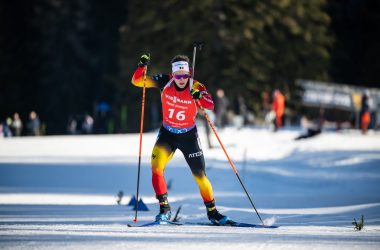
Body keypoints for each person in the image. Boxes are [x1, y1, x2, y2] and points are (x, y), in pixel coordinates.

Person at [131, 54, 230, 225]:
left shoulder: (195, 85)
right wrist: (141, 66)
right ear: (173, 75)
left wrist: (199, 96)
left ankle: (212, 212)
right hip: (168, 134)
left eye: (185, 75)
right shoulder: (164, 81)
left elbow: (210, 104)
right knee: (156, 168)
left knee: (200, 176)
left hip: (188, 136)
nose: (182, 79)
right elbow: (137, 81)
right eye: (178, 76)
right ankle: (164, 209)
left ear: (189, 73)